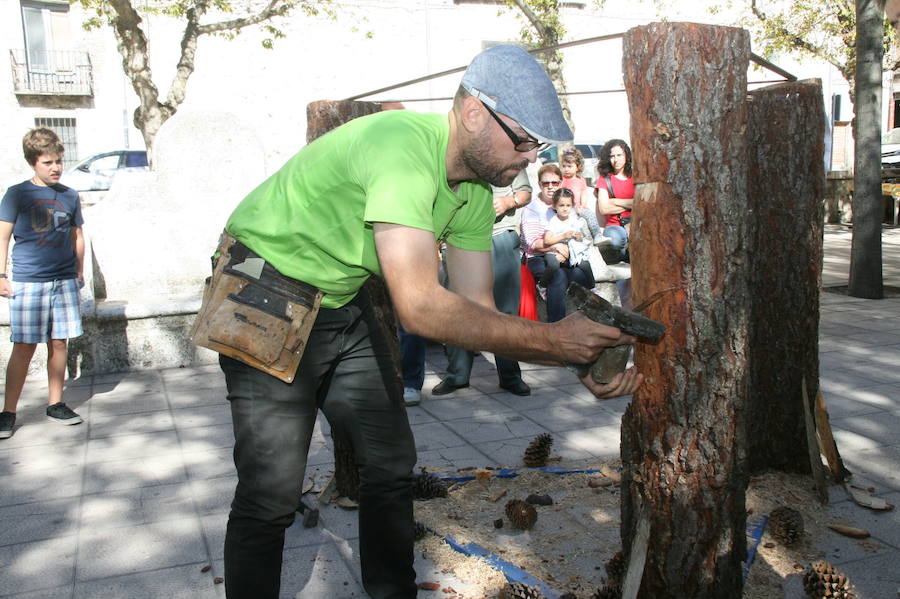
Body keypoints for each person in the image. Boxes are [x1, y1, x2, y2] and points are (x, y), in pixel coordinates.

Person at [211, 45, 643, 599]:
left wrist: (574, 356)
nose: (531, 159)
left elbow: (479, 313)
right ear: (472, 113)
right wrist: (559, 344)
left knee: (390, 465)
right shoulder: (402, 147)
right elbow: (419, 305)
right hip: (264, 282)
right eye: (523, 140)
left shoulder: (473, 194)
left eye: (538, 146)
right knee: (270, 492)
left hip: (341, 295)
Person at [0, 128, 86, 440]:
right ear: (33, 163)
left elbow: (77, 235)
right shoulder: (17, 194)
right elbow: (3, 236)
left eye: (59, 161)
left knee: (60, 342)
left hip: (63, 280)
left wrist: (79, 270)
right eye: (48, 162)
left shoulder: (69, 195)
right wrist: (1, 276)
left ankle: (56, 403)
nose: (55, 167)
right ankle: (8, 412)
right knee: (24, 346)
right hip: (28, 282)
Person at [432, 169, 533, 397]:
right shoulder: (451, 151)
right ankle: (457, 376)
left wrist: (509, 201)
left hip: (499, 237)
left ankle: (510, 376)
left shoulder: (506, 150)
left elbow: (525, 193)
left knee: (505, 311)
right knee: (457, 311)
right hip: (459, 240)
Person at [521, 164, 594, 322]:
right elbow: (532, 242)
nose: (550, 187)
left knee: (580, 274)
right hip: (537, 257)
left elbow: (575, 231)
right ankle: (556, 325)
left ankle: (587, 324)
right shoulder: (532, 209)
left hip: (565, 254)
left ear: (561, 183)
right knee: (558, 276)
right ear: (539, 184)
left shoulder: (565, 205)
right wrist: (555, 246)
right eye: (545, 183)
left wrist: (569, 246)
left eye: (554, 183)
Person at [595, 139, 634, 263]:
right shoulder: (604, 179)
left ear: (626, 155)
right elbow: (604, 209)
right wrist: (631, 204)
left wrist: (614, 201)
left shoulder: (635, 176)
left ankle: (626, 252)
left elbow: (641, 203)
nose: (615, 159)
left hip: (636, 223)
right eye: (612, 156)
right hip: (614, 225)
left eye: (619, 155)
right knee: (615, 240)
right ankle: (624, 253)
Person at [542, 188, 594, 283]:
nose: (565, 208)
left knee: (585, 264)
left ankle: (592, 286)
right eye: (561, 205)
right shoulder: (553, 221)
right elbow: (547, 241)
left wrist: (579, 237)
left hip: (571, 251)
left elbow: (580, 239)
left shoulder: (573, 220)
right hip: (554, 251)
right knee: (553, 265)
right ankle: (542, 285)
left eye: (568, 205)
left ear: (572, 206)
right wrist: (563, 236)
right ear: (554, 206)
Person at [559, 147, 608, 246]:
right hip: (567, 208)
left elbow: (583, 193)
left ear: (577, 167)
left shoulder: (581, 180)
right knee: (580, 225)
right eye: (564, 166)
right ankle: (585, 239)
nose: (566, 169)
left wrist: (583, 204)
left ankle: (597, 235)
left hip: (579, 207)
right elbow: (559, 195)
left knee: (590, 215)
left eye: (569, 166)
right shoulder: (562, 180)